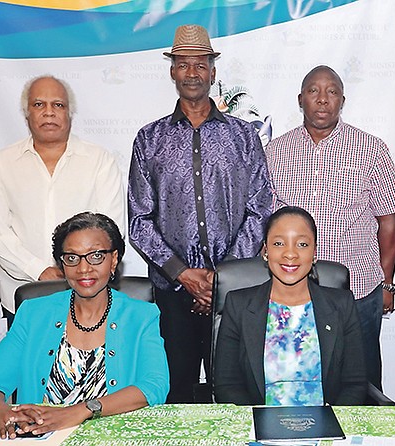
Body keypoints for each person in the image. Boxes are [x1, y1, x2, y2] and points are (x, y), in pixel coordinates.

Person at [128, 24, 272, 403]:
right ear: (172, 71)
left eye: (200, 64)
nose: (192, 72)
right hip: (172, 293)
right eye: (183, 64)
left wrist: (220, 278)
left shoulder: (244, 137)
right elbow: (139, 221)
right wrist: (184, 274)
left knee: (237, 394)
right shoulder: (149, 139)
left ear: (212, 71)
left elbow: (260, 208)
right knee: (175, 396)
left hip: (236, 295)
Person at [0, 212, 168, 439]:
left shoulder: (141, 315)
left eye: (96, 256)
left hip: (113, 437)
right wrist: (2, 411)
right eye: (72, 258)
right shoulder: (34, 314)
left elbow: (154, 386)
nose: (83, 268)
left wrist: (81, 411)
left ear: (114, 259)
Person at [265, 65, 395, 390]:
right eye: (314, 91)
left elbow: (390, 219)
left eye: (332, 92)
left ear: (343, 99)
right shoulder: (275, 151)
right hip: (292, 291)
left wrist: (387, 283)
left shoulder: (371, 148)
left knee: (362, 384)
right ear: (301, 99)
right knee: (297, 382)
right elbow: (265, 223)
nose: (323, 99)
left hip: (357, 291)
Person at [0, 75, 126, 321]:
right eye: (39, 104)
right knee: (30, 361)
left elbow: (110, 231)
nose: (49, 112)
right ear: (26, 113)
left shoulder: (99, 160)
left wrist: (76, 270)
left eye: (58, 105)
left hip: (88, 298)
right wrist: (39, 271)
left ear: (70, 113)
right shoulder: (2, 164)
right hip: (23, 299)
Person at [214, 206, 367, 405]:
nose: (290, 254)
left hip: (326, 426)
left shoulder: (341, 305)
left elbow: (354, 384)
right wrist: (259, 422)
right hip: (260, 426)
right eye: (279, 243)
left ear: (314, 253)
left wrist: (331, 422)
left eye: (302, 244)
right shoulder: (239, 305)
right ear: (266, 251)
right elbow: (227, 386)